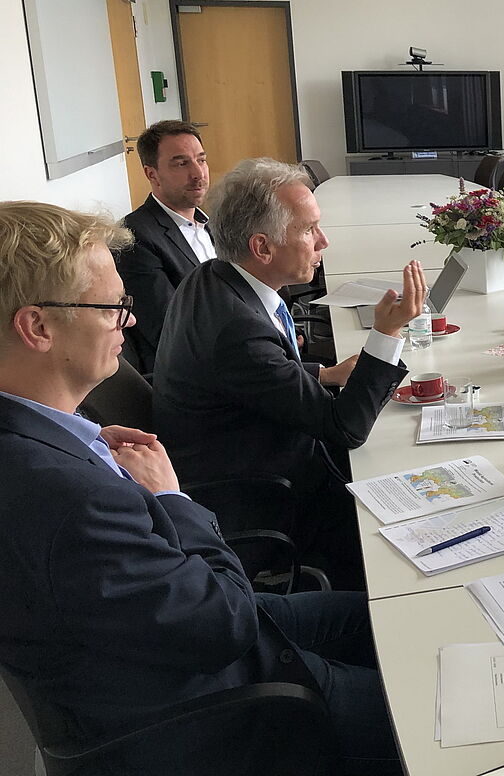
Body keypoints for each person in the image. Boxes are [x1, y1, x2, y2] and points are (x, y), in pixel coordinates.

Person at [0, 200, 403, 772]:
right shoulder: (65, 497)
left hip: (186, 634)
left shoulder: (41, 434)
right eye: (113, 307)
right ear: (37, 327)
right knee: (439, 705)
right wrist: (171, 497)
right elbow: (227, 623)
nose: (130, 322)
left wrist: (93, 450)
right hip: (228, 701)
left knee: (398, 613)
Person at [154, 158, 427, 589]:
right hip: (265, 491)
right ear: (262, 248)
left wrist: (323, 373)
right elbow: (346, 428)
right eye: (309, 230)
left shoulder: (213, 276)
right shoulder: (237, 331)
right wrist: (386, 333)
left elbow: (250, 377)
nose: (324, 241)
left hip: (242, 448)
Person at [118, 120, 216, 373]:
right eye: (181, 164)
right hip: (197, 371)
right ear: (152, 174)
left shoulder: (211, 224)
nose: (198, 174)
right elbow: (170, 332)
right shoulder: (134, 237)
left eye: (201, 160)